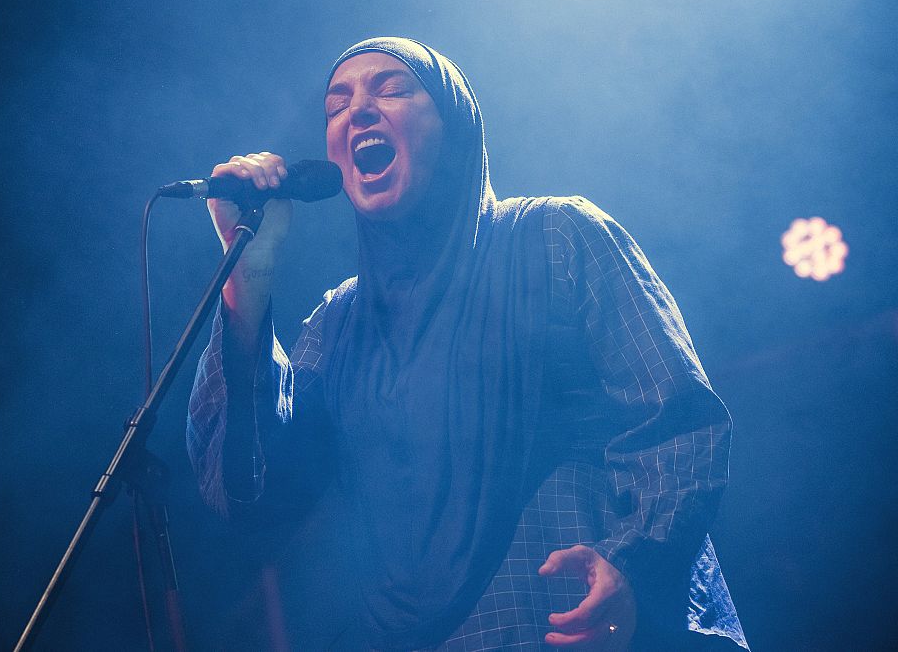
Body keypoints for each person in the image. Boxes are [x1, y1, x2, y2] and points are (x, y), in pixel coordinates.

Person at [187, 37, 748, 651]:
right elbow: (251, 489)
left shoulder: (555, 237)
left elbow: (678, 419)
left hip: (582, 626)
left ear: (455, 128)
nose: (359, 112)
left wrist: (636, 565)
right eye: (336, 106)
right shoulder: (338, 323)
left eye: (393, 89)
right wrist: (251, 266)